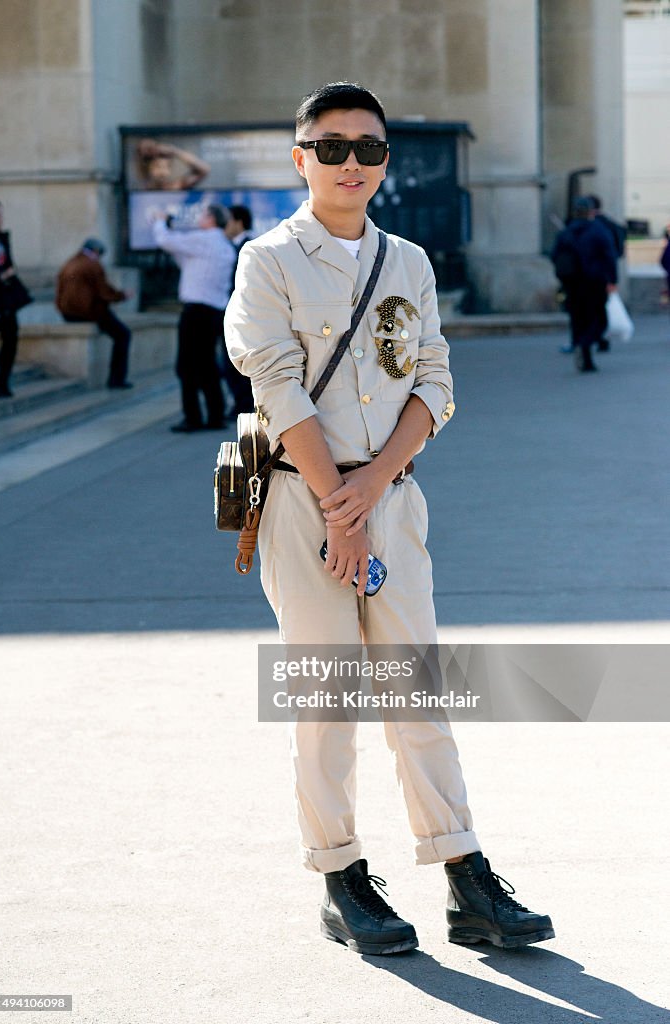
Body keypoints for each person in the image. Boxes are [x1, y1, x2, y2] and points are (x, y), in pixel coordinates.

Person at [225, 82, 554, 955]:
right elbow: (276, 381)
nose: (350, 164)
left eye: (368, 149)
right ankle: (339, 878)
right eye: (331, 147)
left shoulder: (406, 260)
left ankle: (463, 876)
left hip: (391, 506)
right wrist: (342, 508)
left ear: (384, 163)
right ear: (301, 159)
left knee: (420, 696)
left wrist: (372, 494)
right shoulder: (269, 259)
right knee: (327, 701)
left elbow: (434, 380)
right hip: (305, 508)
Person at [153, 204, 235, 432]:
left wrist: (160, 220)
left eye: (203, 214)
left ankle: (193, 417)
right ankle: (215, 415)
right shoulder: (224, 246)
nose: (199, 217)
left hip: (196, 312)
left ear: (211, 219)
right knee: (207, 365)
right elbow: (186, 259)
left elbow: (165, 241)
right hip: (215, 312)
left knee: (187, 366)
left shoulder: (203, 239)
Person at [551, 196, 618, 372]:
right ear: (591, 212)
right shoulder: (599, 231)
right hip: (595, 281)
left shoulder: (566, 232)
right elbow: (609, 256)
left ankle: (584, 353)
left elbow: (555, 255)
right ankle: (585, 344)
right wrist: (612, 280)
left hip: (572, 282)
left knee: (578, 317)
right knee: (598, 318)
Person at [56, 239, 133, 389]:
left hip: (67, 312)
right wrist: (122, 295)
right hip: (88, 311)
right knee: (123, 335)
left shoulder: (69, 263)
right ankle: (116, 379)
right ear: (96, 252)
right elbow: (104, 292)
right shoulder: (92, 265)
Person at [0, 199, 22, 397]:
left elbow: (9, 263)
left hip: (5, 298)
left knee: (11, 338)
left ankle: (3, 380)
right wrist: (1, 275)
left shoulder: (2, 239)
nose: (1, 219)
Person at [223, 205, 255, 414]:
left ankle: (244, 406)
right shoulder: (233, 246)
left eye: (227, 221)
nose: (224, 226)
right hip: (233, 314)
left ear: (238, 222)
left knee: (237, 366)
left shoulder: (250, 247)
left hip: (246, 317)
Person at [588, 195, 627, 351]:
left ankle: (592, 339)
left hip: (592, 274)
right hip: (604, 274)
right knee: (601, 306)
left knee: (592, 308)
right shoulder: (609, 224)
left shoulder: (595, 227)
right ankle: (602, 337)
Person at [135, 139, 210, 191]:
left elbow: (204, 170)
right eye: (157, 167)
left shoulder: (177, 187)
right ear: (149, 169)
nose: (162, 172)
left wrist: (175, 151)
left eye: (165, 167)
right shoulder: (144, 186)